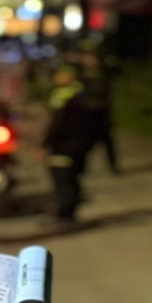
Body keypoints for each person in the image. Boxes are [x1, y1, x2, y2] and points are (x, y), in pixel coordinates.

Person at [43, 62, 95, 226]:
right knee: (71, 179)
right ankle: (67, 214)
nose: (56, 78)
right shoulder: (83, 93)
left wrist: (46, 143)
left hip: (65, 146)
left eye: (60, 74)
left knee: (63, 180)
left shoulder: (64, 97)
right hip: (79, 145)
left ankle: (65, 216)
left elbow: (58, 124)